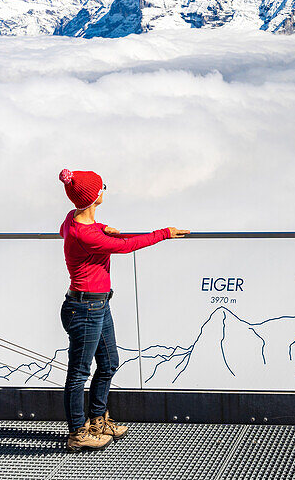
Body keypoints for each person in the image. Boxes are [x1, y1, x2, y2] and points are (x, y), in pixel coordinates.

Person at [57, 168, 189, 452]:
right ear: (95, 196)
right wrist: (164, 233)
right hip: (85, 309)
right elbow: (127, 245)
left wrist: (102, 228)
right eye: (102, 186)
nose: (105, 189)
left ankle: (97, 420)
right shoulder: (85, 234)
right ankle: (78, 433)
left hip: (96, 305)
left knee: (109, 363)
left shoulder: (72, 220)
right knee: (78, 374)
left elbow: (80, 230)